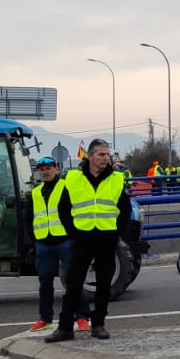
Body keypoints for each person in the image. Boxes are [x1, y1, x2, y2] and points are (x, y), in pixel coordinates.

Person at [45, 138, 132, 343]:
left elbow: (125, 209)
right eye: (101, 154)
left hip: (106, 239)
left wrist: (116, 233)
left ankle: (99, 324)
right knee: (73, 284)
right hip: (81, 240)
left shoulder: (116, 179)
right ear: (90, 156)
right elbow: (63, 208)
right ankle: (65, 327)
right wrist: (72, 233)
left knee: (104, 285)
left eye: (107, 155)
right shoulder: (74, 178)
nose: (105, 158)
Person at [28, 157, 75, 332]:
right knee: (45, 283)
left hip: (64, 241)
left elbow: (73, 214)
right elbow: (29, 218)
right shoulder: (35, 192)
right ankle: (45, 318)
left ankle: (83, 316)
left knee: (72, 280)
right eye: (42, 169)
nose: (45, 172)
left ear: (56, 169)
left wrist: (72, 238)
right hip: (44, 244)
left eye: (48, 168)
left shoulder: (65, 188)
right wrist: (34, 240)